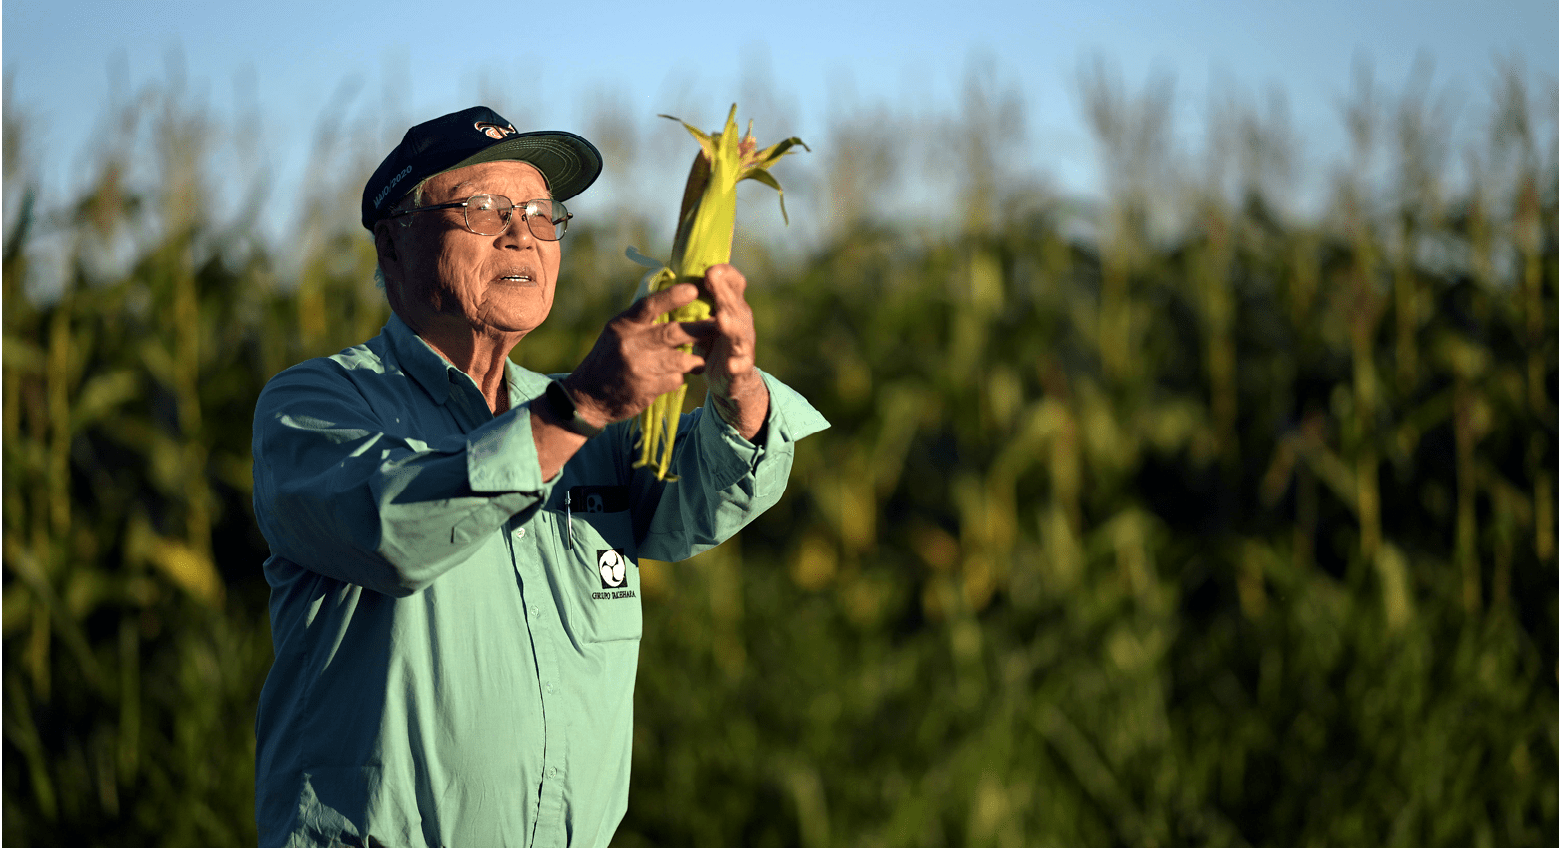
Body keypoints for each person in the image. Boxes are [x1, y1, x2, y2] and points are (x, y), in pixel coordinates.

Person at [250, 106, 828, 848]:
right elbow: (393, 526)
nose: (521, 232)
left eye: (540, 213)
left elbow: (710, 492)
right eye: (484, 208)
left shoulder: (590, 427)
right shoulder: (317, 405)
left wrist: (735, 384)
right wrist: (582, 406)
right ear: (394, 243)